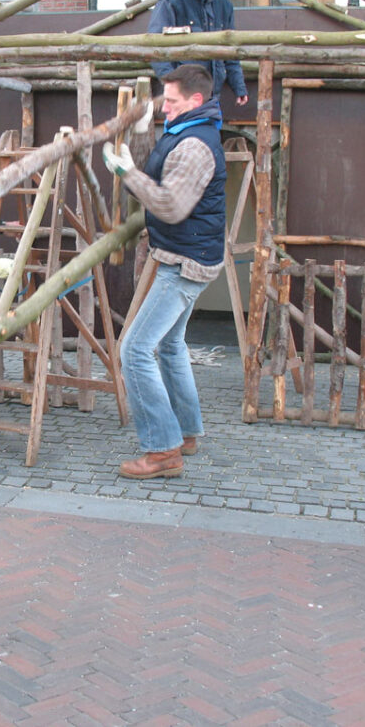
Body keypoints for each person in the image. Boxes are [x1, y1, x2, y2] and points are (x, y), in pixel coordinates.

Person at [102, 64, 226, 479]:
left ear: (195, 100)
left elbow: (171, 205)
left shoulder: (195, 147)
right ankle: (186, 433)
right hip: (184, 252)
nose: (164, 108)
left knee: (134, 350)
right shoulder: (186, 130)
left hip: (184, 262)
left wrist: (126, 173)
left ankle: (162, 450)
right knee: (170, 345)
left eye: (170, 101)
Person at [147, 0, 249, 117]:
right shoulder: (170, 2)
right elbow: (155, 49)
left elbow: (230, 53)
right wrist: (174, 87)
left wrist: (239, 86)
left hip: (212, 97)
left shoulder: (224, 6)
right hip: (182, 99)